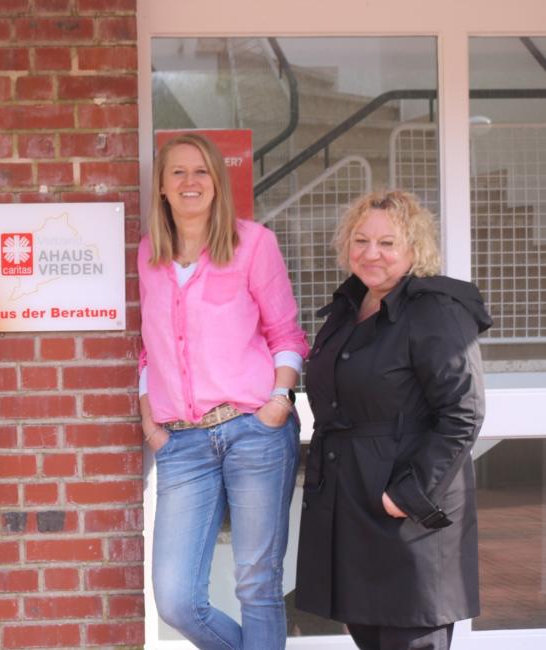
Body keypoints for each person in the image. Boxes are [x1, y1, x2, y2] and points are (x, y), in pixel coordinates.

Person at [296, 190, 489, 650]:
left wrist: (410, 492)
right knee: (369, 635)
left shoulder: (434, 310)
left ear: (414, 249)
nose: (371, 253)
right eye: (360, 240)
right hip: (352, 501)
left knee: (411, 637)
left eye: (387, 243)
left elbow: (464, 410)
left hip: (406, 508)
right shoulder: (348, 309)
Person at [140, 132, 308, 649]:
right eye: (178, 173)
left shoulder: (253, 243)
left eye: (202, 172)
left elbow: (286, 335)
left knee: (257, 584)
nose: (190, 182)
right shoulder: (150, 255)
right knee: (175, 599)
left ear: (218, 182)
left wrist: (279, 403)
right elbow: (148, 349)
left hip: (253, 430)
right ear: (163, 188)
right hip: (182, 444)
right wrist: (150, 424)